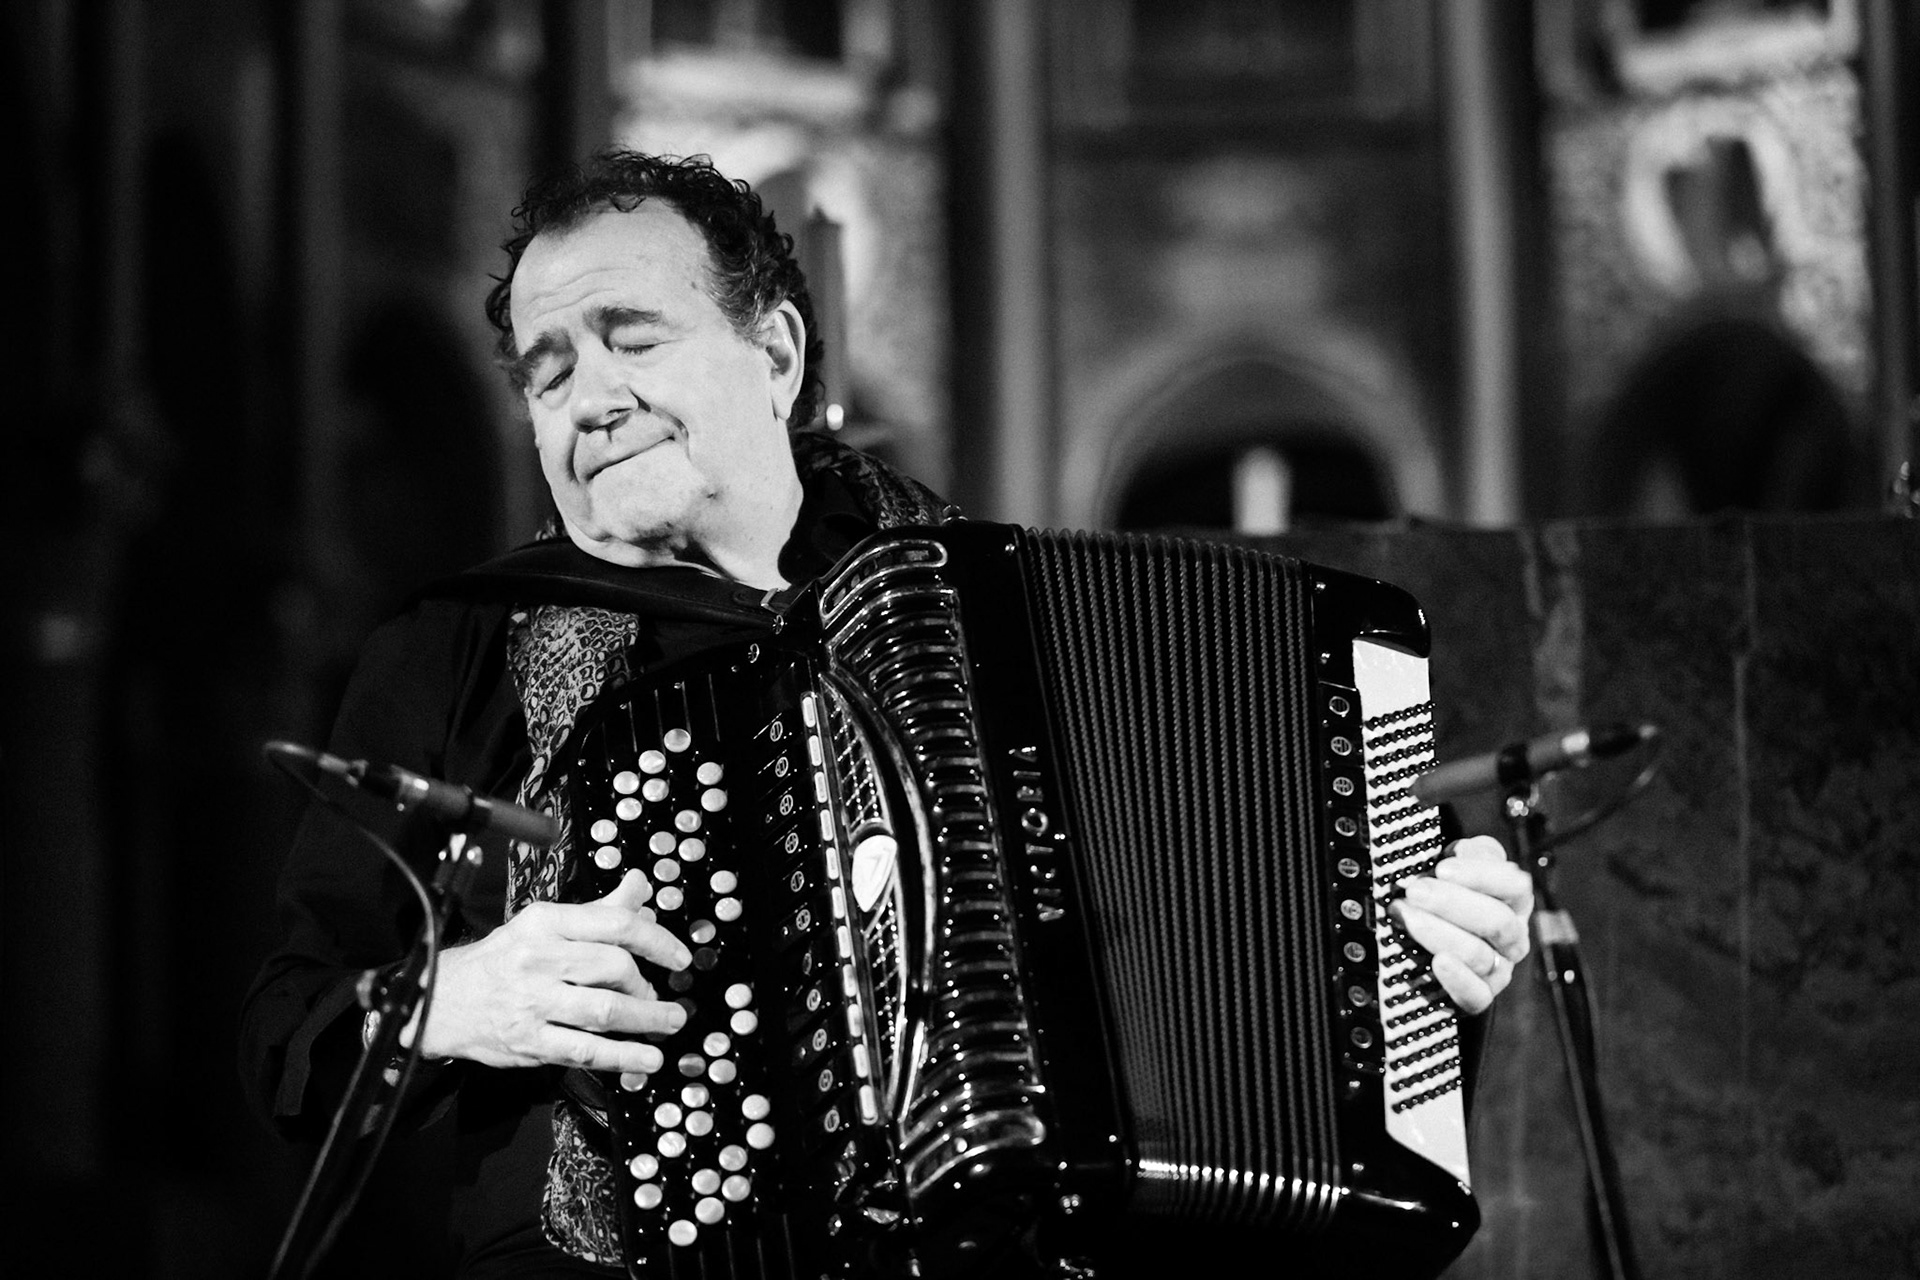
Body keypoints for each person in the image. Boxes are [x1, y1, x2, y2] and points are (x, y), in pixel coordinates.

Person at [241, 150, 1534, 1277]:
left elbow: (1229, 982)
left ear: (778, 356)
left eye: (632, 339)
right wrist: (454, 997)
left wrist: (1418, 971)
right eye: (547, 369)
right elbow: (285, 1042)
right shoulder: (458, 649)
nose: (586, 398)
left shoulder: (991, 610)